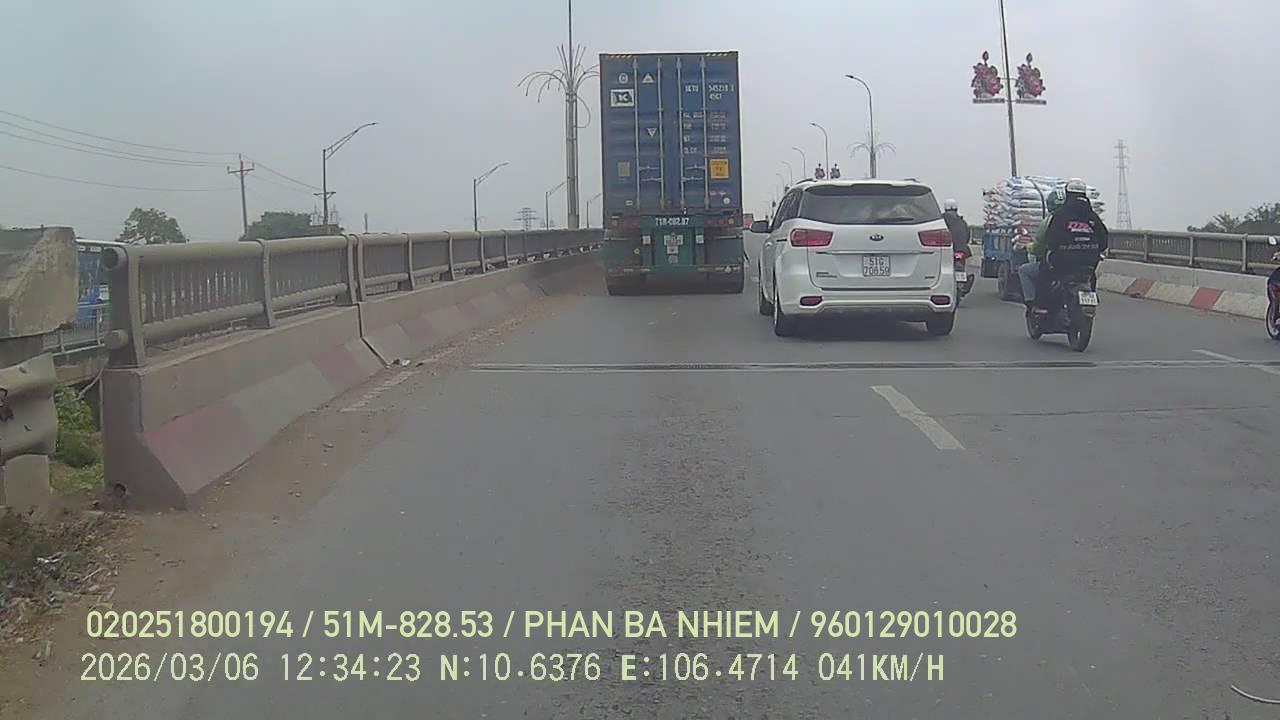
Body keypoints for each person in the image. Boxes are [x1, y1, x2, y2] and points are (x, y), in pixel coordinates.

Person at [1018, 179, 1109, 314]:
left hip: (1063, 264)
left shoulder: (1059, 216)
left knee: (1043, 273)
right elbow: (1104, 240)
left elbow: (1050, 241)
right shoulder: (1093, 217)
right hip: (1089, 264)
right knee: (1091, 276)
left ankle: (1040, 307)